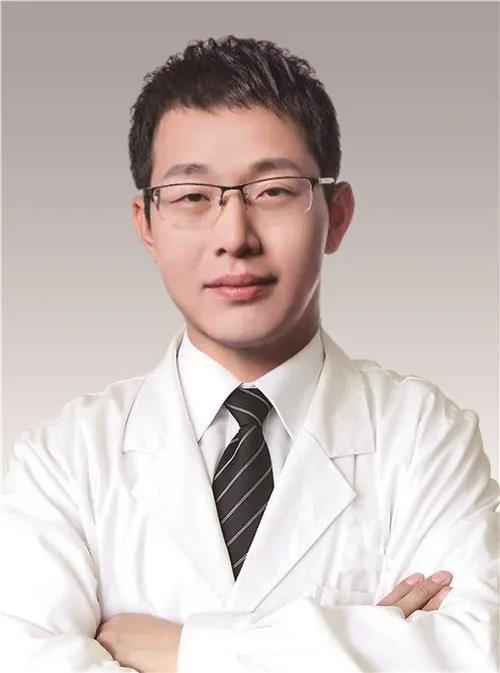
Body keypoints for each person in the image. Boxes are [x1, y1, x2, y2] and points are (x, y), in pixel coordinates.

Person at [1, 34, 498, 673]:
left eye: (273, 191)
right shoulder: (64, 461)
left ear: (337, 214)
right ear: (146, 224)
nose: (234, 237)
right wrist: (366, 644)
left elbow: (476, 654)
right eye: (192, 196)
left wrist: (185, 650)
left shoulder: (424, 438)